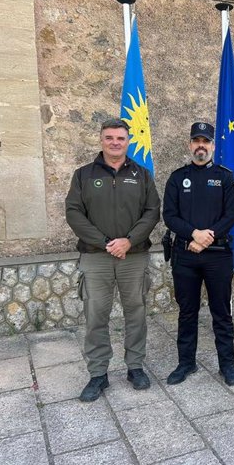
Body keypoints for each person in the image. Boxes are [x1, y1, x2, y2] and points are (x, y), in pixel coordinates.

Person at [65, 118, 160, 402]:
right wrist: (106, 243)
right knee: (96, 316)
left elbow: (152, 211)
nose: (115, 142)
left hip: (134, 256)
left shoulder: (142, 174)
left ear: (128, 141)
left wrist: (128, 241)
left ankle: (135, 367)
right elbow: (73, 213)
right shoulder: (83, 175)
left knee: (136, 314)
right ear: (101, 140)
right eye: (109, 137)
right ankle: (97, 374)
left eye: (120, 138)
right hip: (96, 257)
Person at [163, 121, 234, 387]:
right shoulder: (177, 177)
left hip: (218, 255)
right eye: (196, 141)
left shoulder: (225, 177)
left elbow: (232, 214)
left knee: (222, 312)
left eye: (205, 142)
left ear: (212, 146)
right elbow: (169, 216)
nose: (201, 146)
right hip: (185, 254)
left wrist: (206, 237)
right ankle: (186, 363)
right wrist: (193, 234)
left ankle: (227, 365)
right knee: (187, 311)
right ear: (189, 145)